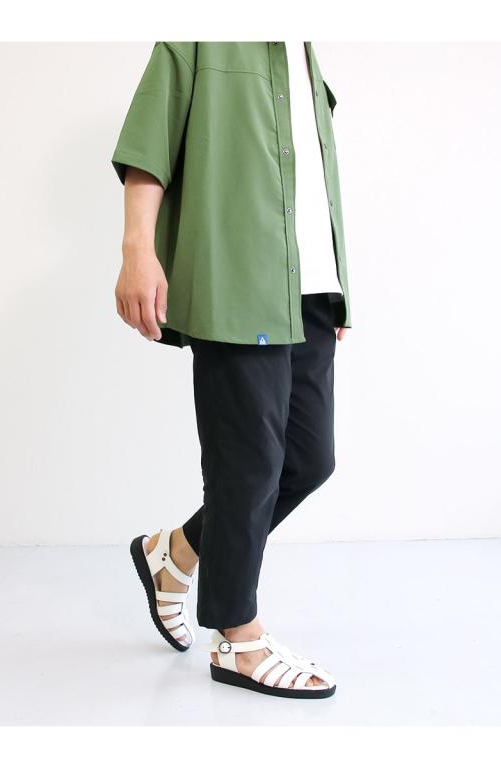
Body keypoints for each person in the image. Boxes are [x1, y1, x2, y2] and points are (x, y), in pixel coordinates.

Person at [112, 41, 352, 699]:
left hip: (309, 291)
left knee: (308, 460)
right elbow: (149, 145)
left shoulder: (306, 54)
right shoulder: (201, 32)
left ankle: (176, 554)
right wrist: (137, 251)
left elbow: (313, 180)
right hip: (237, 277)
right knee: (247, 466)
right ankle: (237, 638)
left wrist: (337, 284)